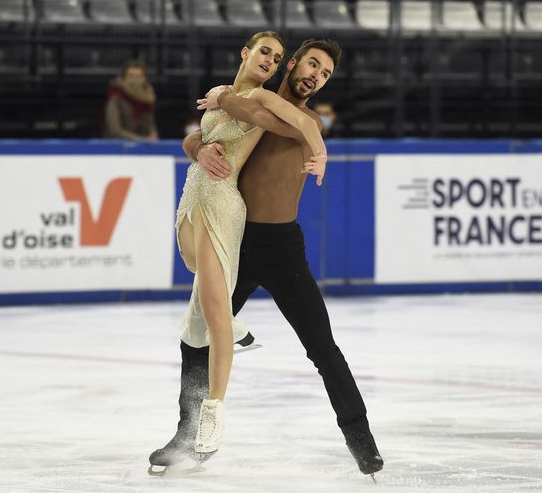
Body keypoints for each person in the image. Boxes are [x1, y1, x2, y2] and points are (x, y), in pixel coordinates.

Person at [151, 38, 384, 479]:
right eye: (312, 64)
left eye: (326, 74)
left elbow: (255, 114)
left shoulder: (303, 120)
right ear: (291, 64)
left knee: (322, 347)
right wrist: (198, 147)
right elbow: (202, 134)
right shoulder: (246, 103)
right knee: (194, 340)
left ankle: (362, 442)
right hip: (232, 237)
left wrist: (228, 96)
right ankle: (189, 438)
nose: (316, 76)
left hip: (281, 249)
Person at [102, 60, 159, 141]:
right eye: (131, 76)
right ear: (123, 78)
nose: (135, 80)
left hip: (143, 148)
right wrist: (141, 139)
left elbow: (150, 125)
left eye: (139, 76)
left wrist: (153, 134)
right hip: (116, 148)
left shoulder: (147, 100)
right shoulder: (116, 99)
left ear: (145, 79)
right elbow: (114, 130)